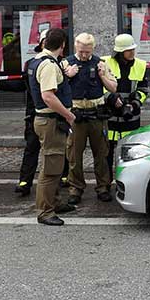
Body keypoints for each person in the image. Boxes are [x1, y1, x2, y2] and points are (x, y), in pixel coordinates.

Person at [0, 30, 69, 197]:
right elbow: (23, 84)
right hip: (36, 113)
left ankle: (63, 177)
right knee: (32, 148)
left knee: (58, 148)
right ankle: (25, 181)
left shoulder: (61, 63)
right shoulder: (33, 63)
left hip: (55, 115)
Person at [27, 28, 77, 226]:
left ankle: (54, 202)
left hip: (47, 120)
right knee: (50, 168)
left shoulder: (37, 61)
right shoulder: (48, 65)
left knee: (55, 165)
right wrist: (68, 115)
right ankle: (45, 212)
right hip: (51, 121)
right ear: (62, 45)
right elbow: (48, 96)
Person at [62, 33, 118, 204]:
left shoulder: (101, 63)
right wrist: (67, 76)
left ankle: (103, 187)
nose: (84, 55)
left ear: (93, 48)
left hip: (96, 115)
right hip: (76, 114)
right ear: (75, 47)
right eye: (81, 51)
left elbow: (113, 88)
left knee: (101, 154)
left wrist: (102, 76)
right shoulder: (66, 63)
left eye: (87, 51)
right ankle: (75, 188)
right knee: (74, 155)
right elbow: (56, 88)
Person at [102, 34, 149, 177]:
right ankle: (106, 182)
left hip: (130, 116)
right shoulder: (105, 62)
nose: (132, 52)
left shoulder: (141, 65)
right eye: (128, 50)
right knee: (106, 153)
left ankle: (126, 181)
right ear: (119, 52)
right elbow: (99, 87)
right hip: (109, 115)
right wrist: (110, 98)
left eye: (133, 49)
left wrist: (134, 104)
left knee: (129, 153)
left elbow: (143, 90)